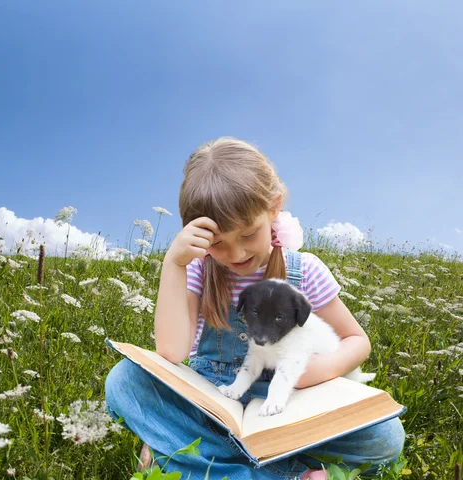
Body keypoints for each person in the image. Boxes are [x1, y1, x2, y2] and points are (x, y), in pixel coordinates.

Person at [105, 137, 405, 480]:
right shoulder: (199, 269)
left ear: (273, 208)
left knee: (386, 437)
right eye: (218, 243)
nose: (236, 255)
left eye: (248, 234)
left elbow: (357, 340)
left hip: (286, 397)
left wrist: (315, 372)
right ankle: (287, 472)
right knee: (123, 382)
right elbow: (171, 351)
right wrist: (174, 264)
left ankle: (185, 455)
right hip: (213, 398)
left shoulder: (304, 270)